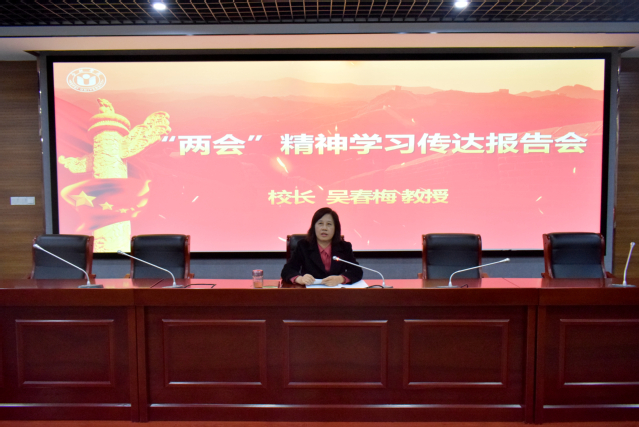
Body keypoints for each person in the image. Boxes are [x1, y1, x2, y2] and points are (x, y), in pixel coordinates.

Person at [281, 207, 363, 286]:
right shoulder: (303, 246)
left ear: (336, 228)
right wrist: (300, 279)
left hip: (336, 291)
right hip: (310, 292)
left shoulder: (344, 247)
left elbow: (357, 271)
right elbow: (287, 270)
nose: (324, 228)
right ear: (314, 227)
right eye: (320, 223)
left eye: (329, 224)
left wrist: (340, 279)